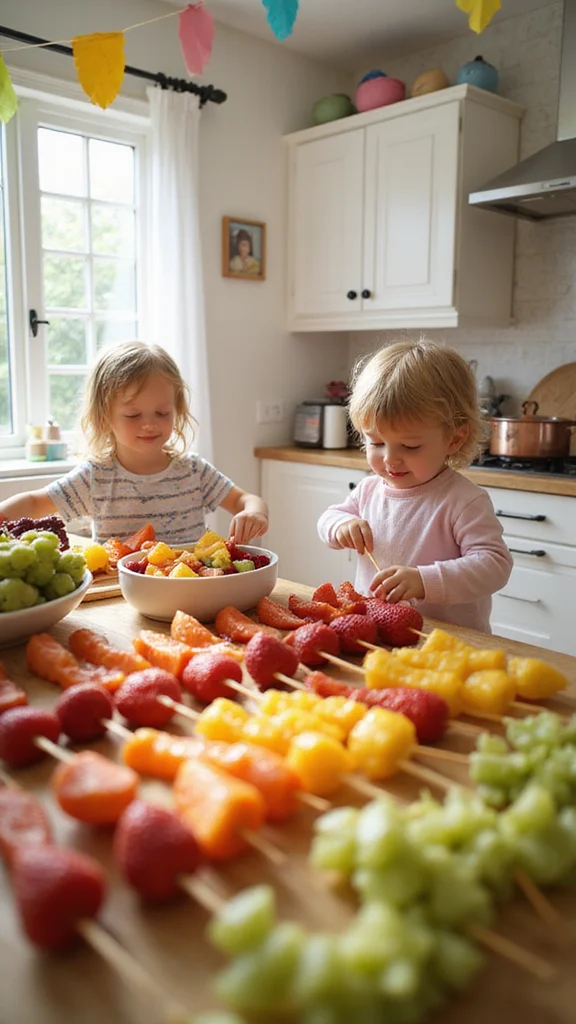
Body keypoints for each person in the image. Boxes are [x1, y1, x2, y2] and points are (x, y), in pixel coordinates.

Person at [317, 339, 513, 633]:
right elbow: (329, 518)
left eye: (410, 446)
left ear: (454, 439)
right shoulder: (369, 489)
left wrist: (424, 581)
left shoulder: (463, 501)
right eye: (376, 442)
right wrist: (340, 525)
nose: (390, 459)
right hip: (379, 632)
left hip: (447, 641)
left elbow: (494, 565)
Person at [0, 341, 269, 547]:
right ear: (104, 417)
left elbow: (244, 500)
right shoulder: (95, 477)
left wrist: (255, 513)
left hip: (190, 589)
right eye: (133, 415)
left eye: (162, 413)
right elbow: (34, 503)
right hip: (122, 595)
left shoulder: (193, 470)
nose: (149, 424)